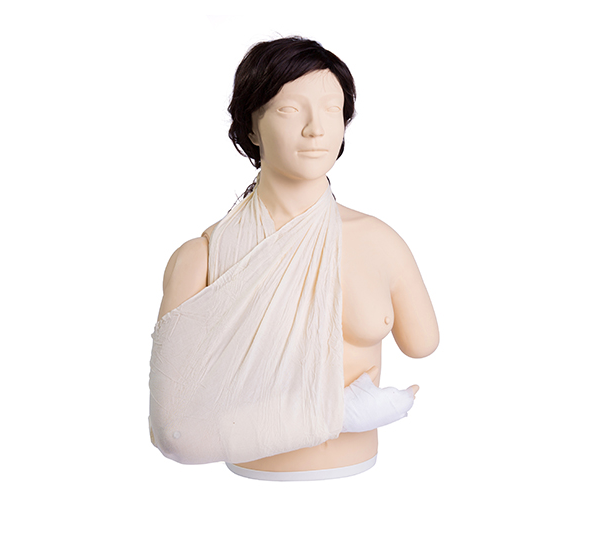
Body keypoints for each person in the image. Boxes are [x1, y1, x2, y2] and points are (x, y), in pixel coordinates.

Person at [152, 36, 439, 480]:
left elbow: (423, 345)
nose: (315, 129)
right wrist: (337, 414)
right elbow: (173, 433)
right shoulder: (202, 258)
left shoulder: (381, 242)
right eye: (289, 109)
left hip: (362, 479)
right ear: (251, 127)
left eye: (332, 109)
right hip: (252, 485)